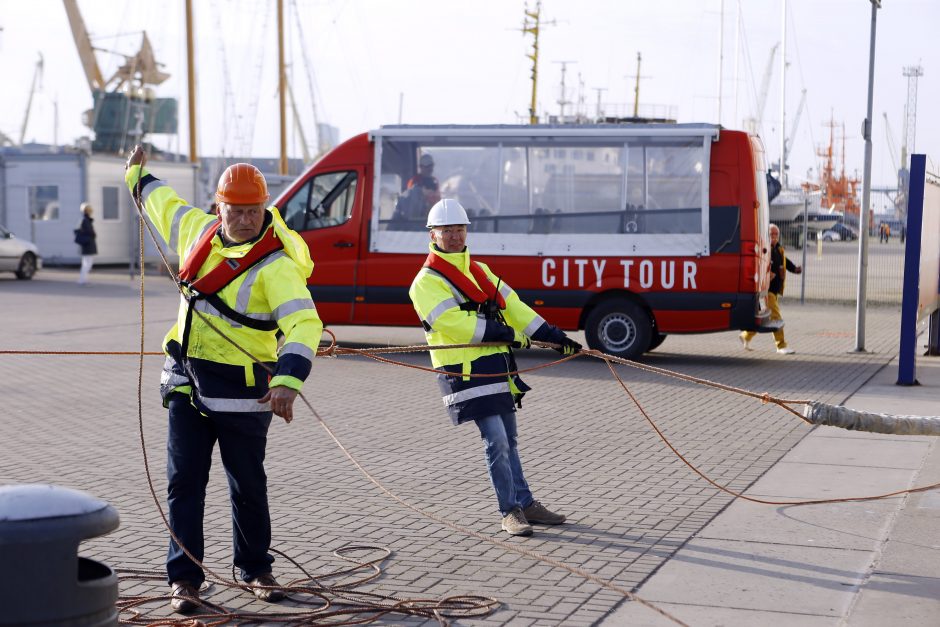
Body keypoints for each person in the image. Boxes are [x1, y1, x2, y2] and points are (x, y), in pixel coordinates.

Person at [124, 146, 323, 614]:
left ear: (265, 208)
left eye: (254, 212)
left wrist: (288, 381)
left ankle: (255, 569)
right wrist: (136, 172)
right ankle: (185, 580)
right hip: (187, 387)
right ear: (220, 207)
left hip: (245, 394)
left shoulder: (276, 266)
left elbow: (304, 324)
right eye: (236, 211)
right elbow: (163, 203)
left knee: (247, 485)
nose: (246, 220)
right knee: (184, 485)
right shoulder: (197, 232)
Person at [408, 198, 581, 537]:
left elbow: (515, 307)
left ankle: (526, 504)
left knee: (510, 439)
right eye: (447, 231)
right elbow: (455, 324)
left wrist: (554, 336)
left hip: (495, 367)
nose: (455, 236)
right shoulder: (425, 282)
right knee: (497, 440)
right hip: (464, 373)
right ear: (433, 236)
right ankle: (510, 511)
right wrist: (509, 335)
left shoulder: (480, 271)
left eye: (459, 229)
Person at [740, 223, 801, 355]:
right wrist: (767, 274)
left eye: (776, 234)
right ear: (766, 235)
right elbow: (757, 264)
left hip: (775, 290)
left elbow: (785, 261)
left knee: (762, 318)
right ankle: (781, 345)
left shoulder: (779, 249)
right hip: (767, 291)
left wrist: (795, 269)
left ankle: (746, 335)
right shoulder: (764, 249)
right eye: (771, 234)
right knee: (776, 316)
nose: (774, 237)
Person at [74, 202, 97, 284]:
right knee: (87, 263)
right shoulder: (84, 220)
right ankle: (82, 279)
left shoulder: (86, 220)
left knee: (87, 263)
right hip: (87, 244)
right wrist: (91, 235)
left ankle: (83, 279)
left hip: (88, 244)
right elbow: (79, 231)